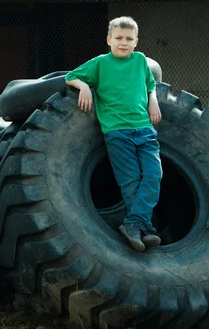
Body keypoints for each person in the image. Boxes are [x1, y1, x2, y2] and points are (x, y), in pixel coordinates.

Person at [65, 16, 162, 252]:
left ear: (136, 42)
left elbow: (151, 84)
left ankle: (134, 223)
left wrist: (153, 102)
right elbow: (71, 76)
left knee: (153, 174)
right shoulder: (100, 63)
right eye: (118, 38)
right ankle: (142, 226)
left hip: (144, 129)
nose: (123, 43)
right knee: (130, 181)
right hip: (117, 132)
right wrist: (86, 86)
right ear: (109, 40)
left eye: (129, 39)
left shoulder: (140, 61)